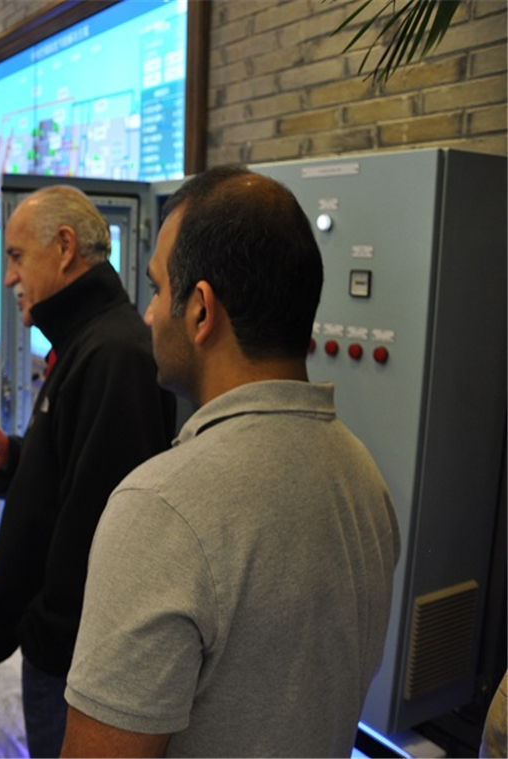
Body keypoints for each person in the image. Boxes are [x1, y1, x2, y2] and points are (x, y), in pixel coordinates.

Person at [60, 166, 401, 758]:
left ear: (200, 310)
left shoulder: (161, 508)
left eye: (157, 289)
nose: (148, 313)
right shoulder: (363, 478)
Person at [0, 184, 176, 757]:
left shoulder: (114, 353)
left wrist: (42, 628)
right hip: (62, 651)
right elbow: (72, 472)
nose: (9, 277)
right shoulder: (86, 342)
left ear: (65, 247)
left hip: (72, 660)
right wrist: (12, 458)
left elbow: (101, 522)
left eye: (16, 256)